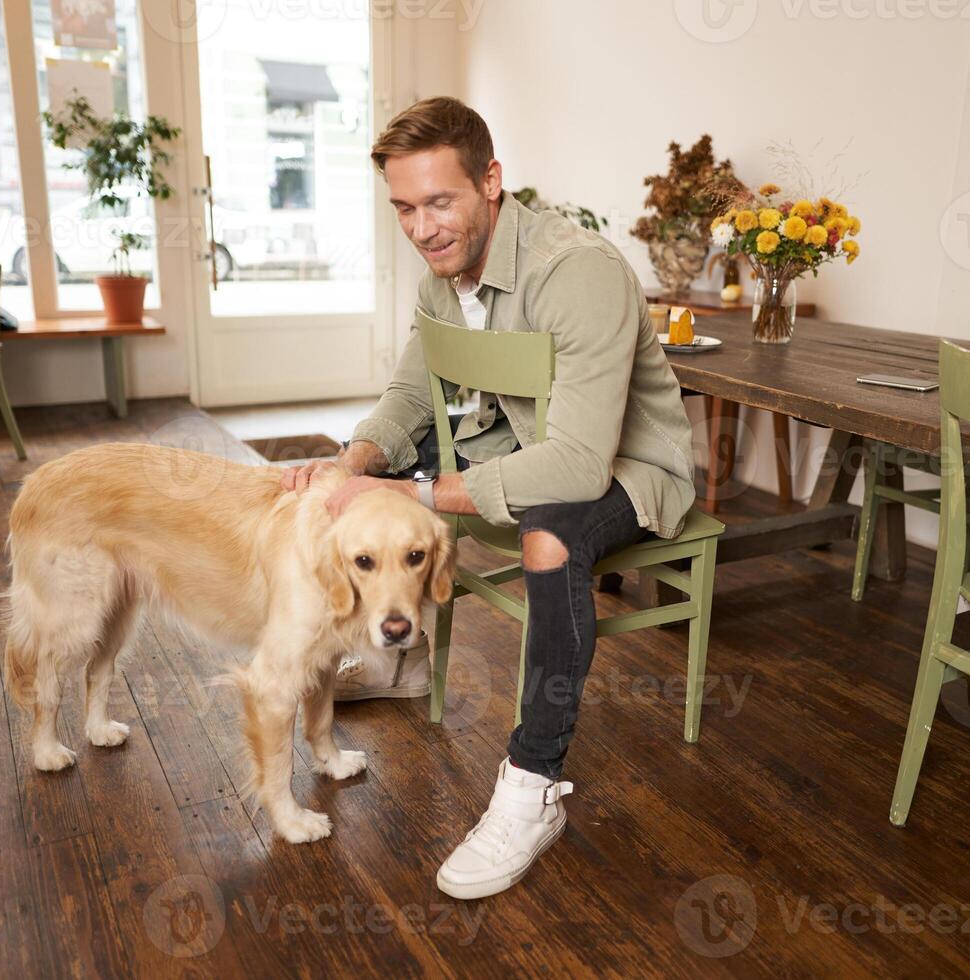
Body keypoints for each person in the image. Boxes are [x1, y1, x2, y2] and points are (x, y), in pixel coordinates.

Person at [282, 97, 697, 899]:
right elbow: (410, 393)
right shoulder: (444, 273)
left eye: (441, 202)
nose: (423, 227)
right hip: (517, 441)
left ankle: (532, 788)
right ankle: (393, 657)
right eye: (405, 207)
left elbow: (579, 464)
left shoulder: (578, 272)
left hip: (628, 468)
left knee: (547, 534)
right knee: (362, 480)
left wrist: (411, 484)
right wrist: (352, 462)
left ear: (492, 182)